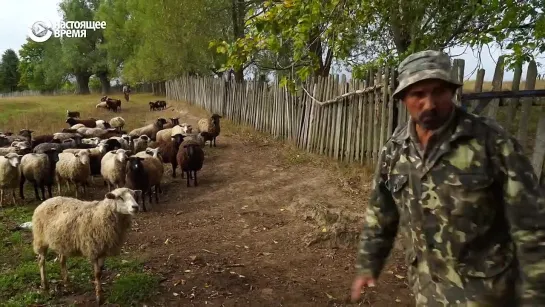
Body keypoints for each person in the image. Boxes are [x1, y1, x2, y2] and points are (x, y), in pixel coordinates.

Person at [350, 50, 545, 306]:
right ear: (403, 98)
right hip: (427, 290)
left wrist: (535, 296)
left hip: (488, 295)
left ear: (452, 92)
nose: (429, 104)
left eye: (439, 91)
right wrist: (368, 263)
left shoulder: (492, 143)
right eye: (418, 94)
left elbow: (531, 227)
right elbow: (381, 212)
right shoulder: (395, 150)